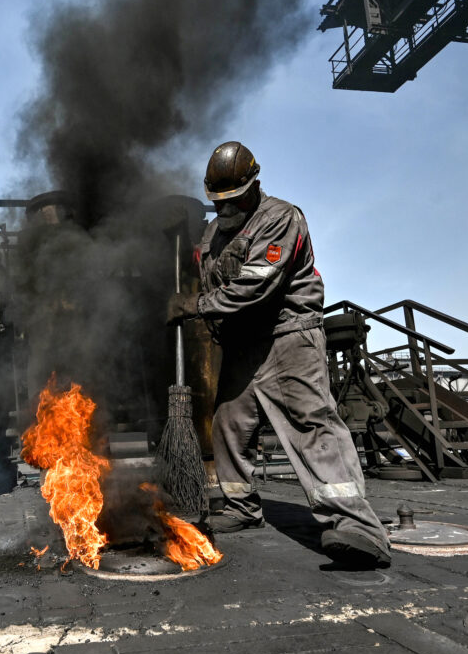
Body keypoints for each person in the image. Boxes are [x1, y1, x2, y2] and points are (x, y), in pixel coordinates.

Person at [167, 140, 391, 569]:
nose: (226, 209)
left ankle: (357, 527)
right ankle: (240, 506)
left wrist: (193, 306)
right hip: (241, 344)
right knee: (229, 424)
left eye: (233, 200)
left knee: (312, 425)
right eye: (219, 202)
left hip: (287, 337)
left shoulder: (281, 218)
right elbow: (212, 279)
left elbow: (254, 285)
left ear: (253, 185)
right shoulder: (215, 232)